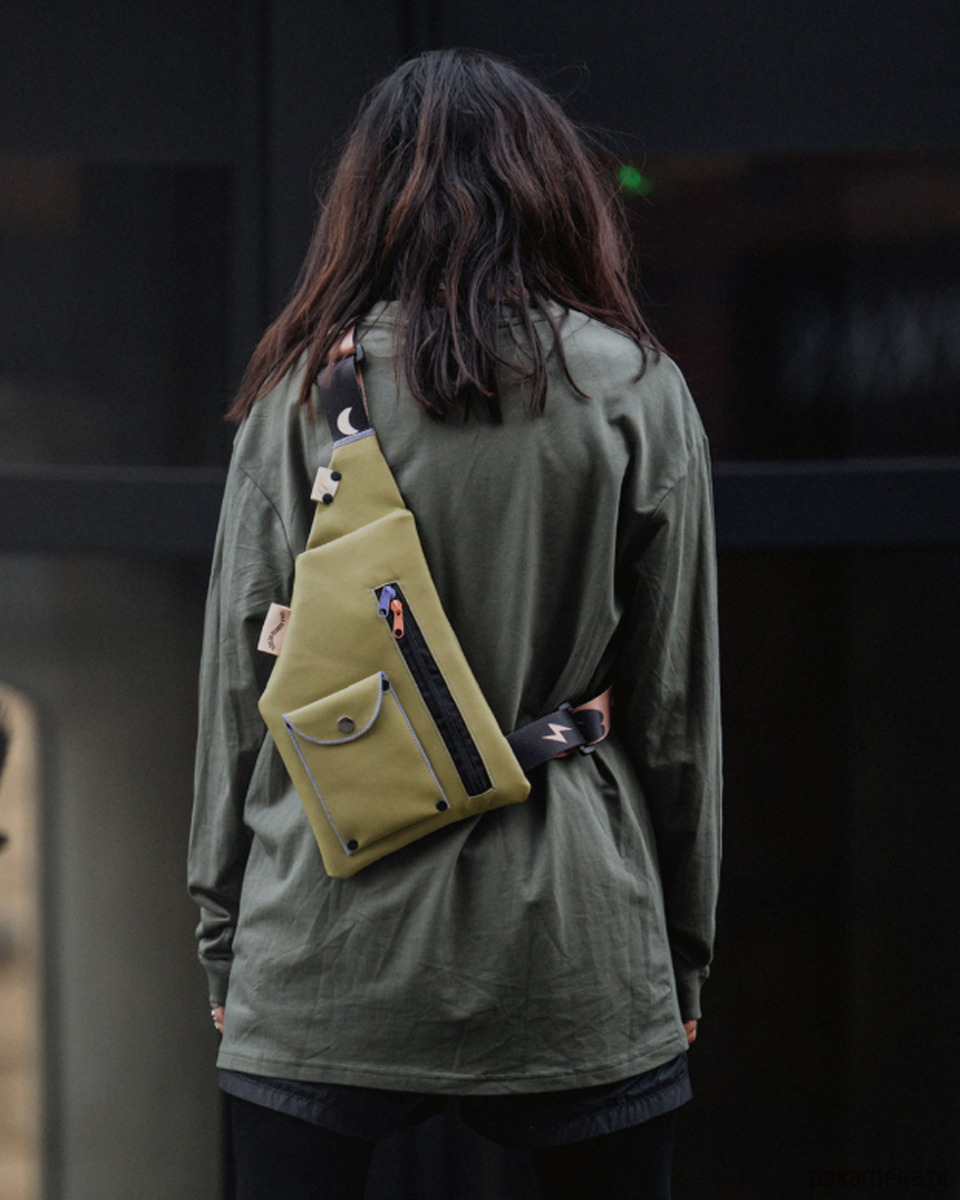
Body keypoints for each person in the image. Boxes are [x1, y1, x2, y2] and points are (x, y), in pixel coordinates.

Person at [188, 48, 721, 1200]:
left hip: (322, 931)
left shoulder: (296, 398)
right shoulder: (636, 391)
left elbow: (241, 694)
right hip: (573, 941)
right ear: (554, 190)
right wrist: (680, 959)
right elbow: (677, 713)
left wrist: (224, 940)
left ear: (365, 201)